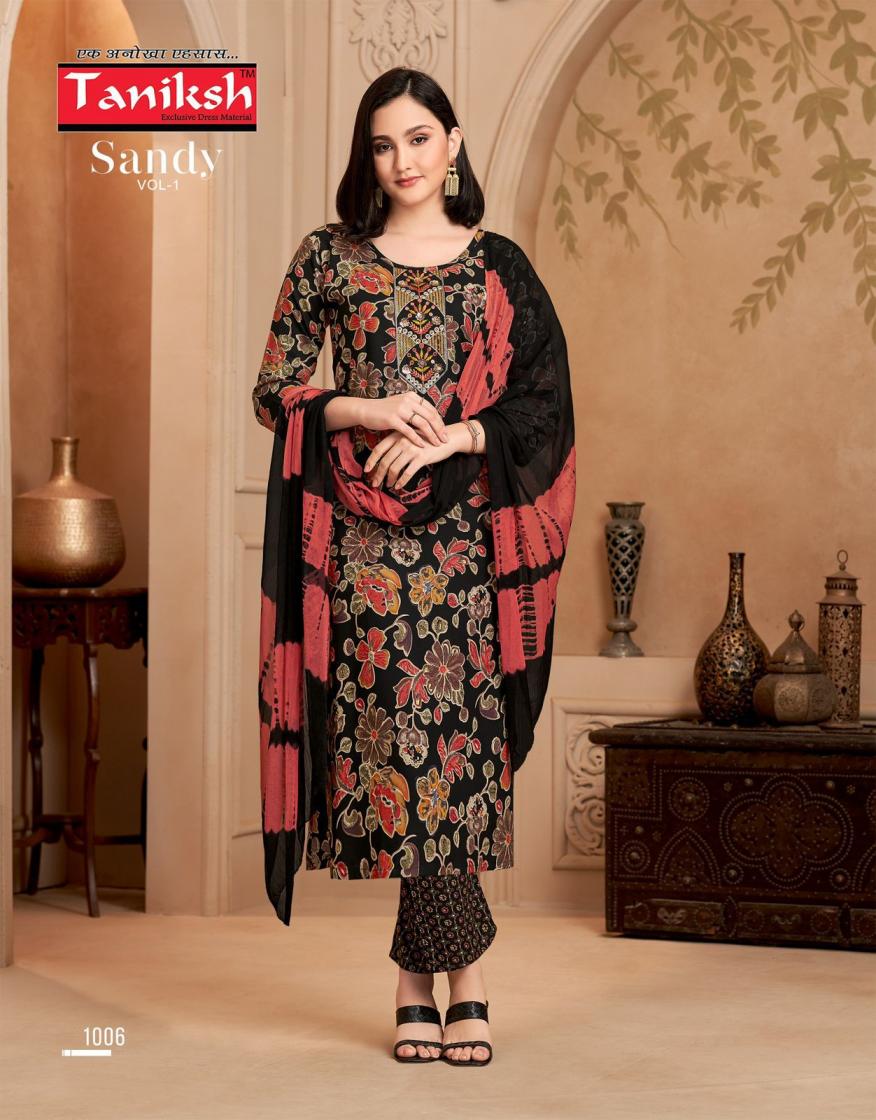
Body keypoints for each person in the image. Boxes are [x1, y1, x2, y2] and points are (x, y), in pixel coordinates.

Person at [252, 66, 576, 1067]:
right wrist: (368, 409)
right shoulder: (329, 257)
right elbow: (276, 389)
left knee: (461, 755)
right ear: (369, 154)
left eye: (421, 138)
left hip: (468, 545)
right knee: (401, 755)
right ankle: (456, 979)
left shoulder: (498, 267)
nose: (403, 161)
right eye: (384, 144)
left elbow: (544, 403)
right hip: (362, 550)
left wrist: (459, 436)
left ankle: (425, 980)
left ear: (454, 142)